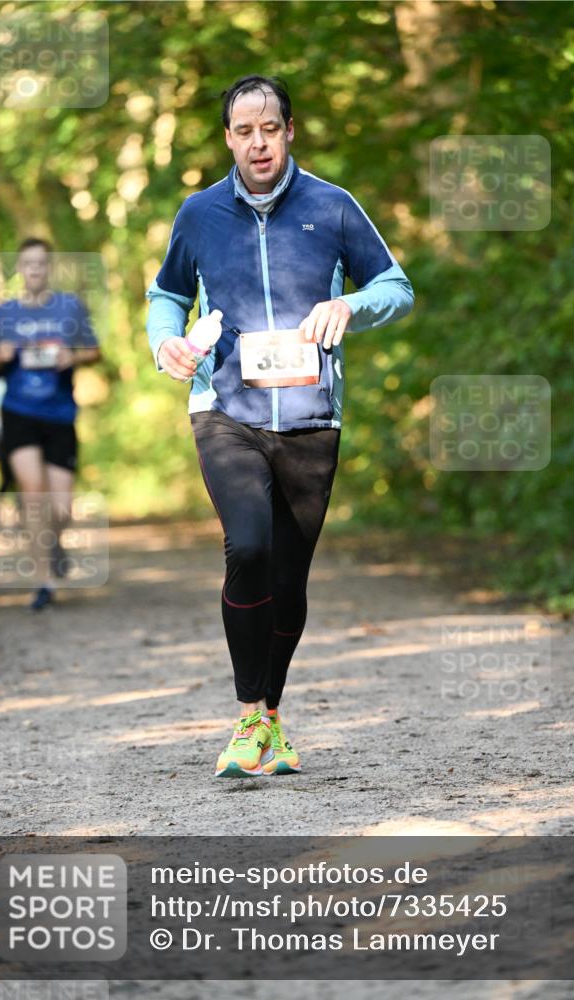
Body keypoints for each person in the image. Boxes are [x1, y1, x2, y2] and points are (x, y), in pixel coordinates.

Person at [147, 75, 414, 777]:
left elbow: (396, 286)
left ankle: (270, 716)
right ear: (227, 137)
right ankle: (244, 720)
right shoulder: (200, 213)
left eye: (270, 128)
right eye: (243, 131)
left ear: (289, 130)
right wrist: (164, 342)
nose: (257, 142)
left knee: (290, 578)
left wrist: (353, 307)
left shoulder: (331, 206)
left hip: (309, 416)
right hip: (224, 409)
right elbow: (166, 295)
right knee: (248, 545)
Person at [0, 238, 101, 609]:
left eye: (41, 264)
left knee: (61, 507)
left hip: (60, 414)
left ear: (49, 268)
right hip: (19, 413)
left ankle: (55, 541)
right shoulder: (3, 315)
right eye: (27, 264)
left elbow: (95, 352)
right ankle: (44, 580)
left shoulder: (69, 308)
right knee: (33, 495)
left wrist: (73, 358)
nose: (34, 270)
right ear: (20, 269)